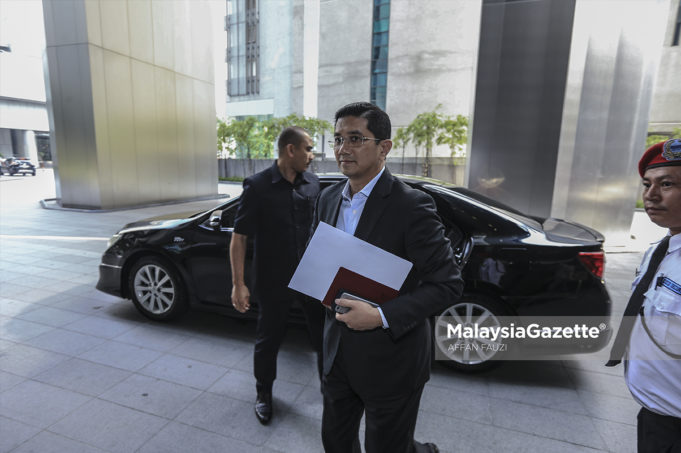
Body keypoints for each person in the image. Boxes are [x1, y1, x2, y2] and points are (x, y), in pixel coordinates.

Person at [314, 102, 464, 453]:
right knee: (335, 443)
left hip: (393, 360)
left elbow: (447, 284)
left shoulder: (411, 206)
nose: (342, 149)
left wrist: (381, 316)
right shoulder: (326, 199)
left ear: (384, 148)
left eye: (355, 138)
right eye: (337, 139)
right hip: (337, 353)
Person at [229, 126, 324, 425]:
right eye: (308, 149)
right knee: (268, 340)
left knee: (324, 338)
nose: (312, 155)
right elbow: (239, 237)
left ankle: (332, 393)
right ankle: (264, 394)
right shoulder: (257, 186)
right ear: (290, 150)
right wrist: (238, 284)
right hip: (273, 279)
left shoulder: (313, 184)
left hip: (312, 278)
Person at [606, 138, 681, 452]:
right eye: (647, 184)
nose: (651, 195)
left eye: (666, 184)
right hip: (656, 415)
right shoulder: (659, 249)